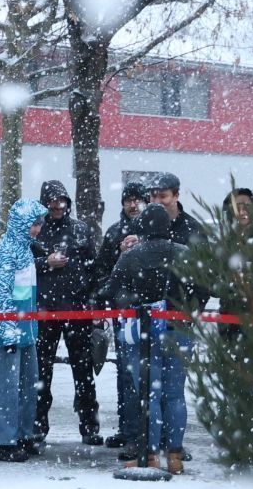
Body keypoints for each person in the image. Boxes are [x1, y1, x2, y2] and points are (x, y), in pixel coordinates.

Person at [102, 204, 188, 473]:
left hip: (144, 331)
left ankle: (149, 455)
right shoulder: (185, 254)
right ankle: (174, 455)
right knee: (175, 395)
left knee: (149, 394)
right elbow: (208, 286)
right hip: (179, 328)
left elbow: (109, 290)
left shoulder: (132, 256)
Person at [31, 179, 101, 445]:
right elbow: (24, 266)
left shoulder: (80, 230)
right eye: (51, 202)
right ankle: (38, 426)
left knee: (83, 371)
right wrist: (45, 263)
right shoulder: (36, 230)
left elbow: (93, 269)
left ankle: (89, 426)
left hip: (77, 310)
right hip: (45, 311)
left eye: (61, 201)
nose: (57, 206)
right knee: (41, 372)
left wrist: (92, 303)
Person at [0, 199, 47, 461]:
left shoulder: (26, 250)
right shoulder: (6, 252)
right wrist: (8, 333)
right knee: (7, 390)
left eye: (39, 224)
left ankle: (22, 435)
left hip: (27, 332)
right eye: (33, 224)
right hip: (8, 334)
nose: (37, 229)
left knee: (27, 388)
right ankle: (4, 442)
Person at [97, 182, 148, 447]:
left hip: (151, 312)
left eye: (138, 200)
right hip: (122, 312)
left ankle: (148, 432)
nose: (133, 204)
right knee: (125, 372)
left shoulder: (155, 231)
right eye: (128, 200)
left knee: (149, 372)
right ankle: (128, 429)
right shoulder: (114, 233)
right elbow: (101, 272)